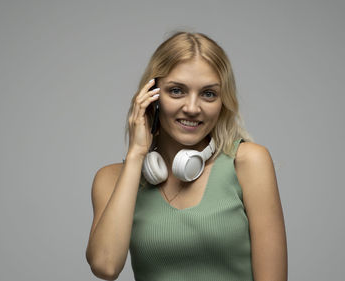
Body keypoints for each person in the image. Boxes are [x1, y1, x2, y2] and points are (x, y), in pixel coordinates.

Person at [85, 31, 287, 281]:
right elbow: (105, 266)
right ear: (152, 97)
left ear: (222, 101)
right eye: (177, 91)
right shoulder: (113, 179)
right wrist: (137, 154)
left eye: (208, 94)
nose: (192, 108)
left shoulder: (248, 162)